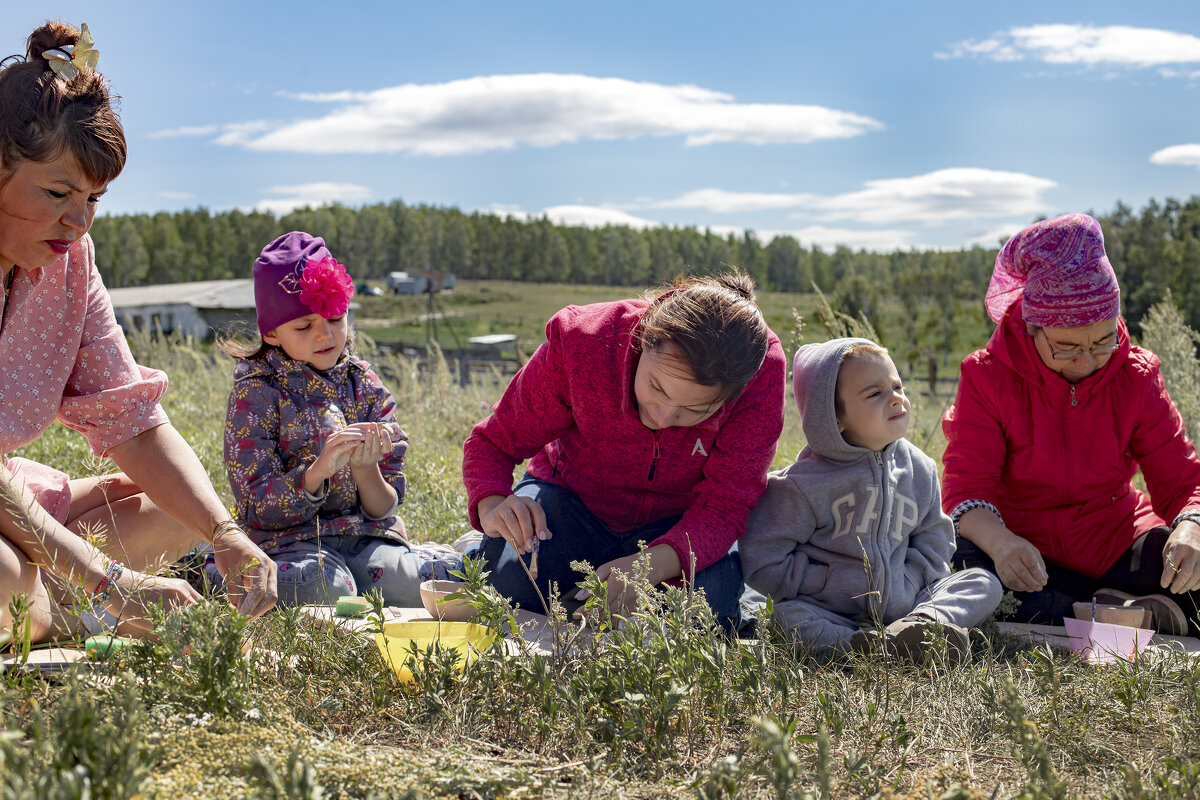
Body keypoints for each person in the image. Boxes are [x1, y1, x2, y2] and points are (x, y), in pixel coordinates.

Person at [0, 21, 276, 643]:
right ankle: (63, 606)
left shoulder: (72, 260)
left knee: (182, 514)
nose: (77, 221)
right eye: (57, 192)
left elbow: (134, 422)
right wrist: (109, 579)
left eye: (94, 199)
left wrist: (227, 537)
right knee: (7, 581)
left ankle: (52, 607)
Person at [461, 271, 786, 632]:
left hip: (679, 521)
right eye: (656, 387)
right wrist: (492, 505)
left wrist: (654, 565)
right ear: (645, 338)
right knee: (506, 583)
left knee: (709, 614)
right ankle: (477, 553)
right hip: (570, 500)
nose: (662, 417)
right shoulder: (583, 342)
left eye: (694, 412)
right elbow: (493, 443)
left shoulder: (761, 372)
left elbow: (726, 503)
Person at [942, 213, 1200, 634]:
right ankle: (1126, 612)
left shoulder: (1136, 375)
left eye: (1102, 342)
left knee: (1194, 557)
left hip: (1117, 540)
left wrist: (1192, 526)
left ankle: (1079, 612)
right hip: (1024, 551)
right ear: (1033, 326)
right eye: (1066, 347)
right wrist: (1001, 543)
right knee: (960, 565)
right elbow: (966, 490)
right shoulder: (986, 376)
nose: (1086, 361)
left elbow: (1182, 478)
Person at [223, 231, 462, 608]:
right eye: (303, 327)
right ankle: (208, 570)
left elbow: (384, 508)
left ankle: (448, 559)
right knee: (326, 587)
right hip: (289, 544)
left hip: (367, 540)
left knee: (422, 584)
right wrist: (317, 472)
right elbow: (256, 505)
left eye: (335, 317)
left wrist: (367, 469)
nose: (325, 334)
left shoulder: (365, 386)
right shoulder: (256, 393)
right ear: (271, 333)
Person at [741, 339, 1000, 662]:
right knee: (785, 618)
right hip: (829, 611)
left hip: (908, 602)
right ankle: (861, 647)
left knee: (983, 581)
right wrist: (822, 583)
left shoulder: (919, 469)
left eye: (897, 386)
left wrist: (915, 578)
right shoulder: (802, 485)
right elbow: (765, 558)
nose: (895, 399)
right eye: (875, 393)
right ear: (834, 418)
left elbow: (935, 535)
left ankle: (921, 628)